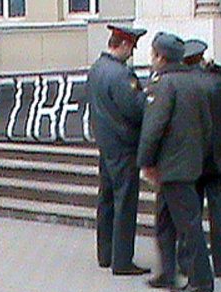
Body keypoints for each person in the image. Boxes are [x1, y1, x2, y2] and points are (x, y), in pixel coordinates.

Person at [138, 32, 214, 292]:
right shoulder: (194, 81)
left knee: (187, 226)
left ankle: (201, 279)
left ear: (160, 57)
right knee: (165, 222)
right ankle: (167, 273)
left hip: (171, 168)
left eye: (153, 54)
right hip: (187, 165)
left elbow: (153, 129)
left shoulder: (164, 85)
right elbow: (207, 127)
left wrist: (145, 162)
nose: (152, 59)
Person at [86, 25, 151, 276]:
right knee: (125, 202)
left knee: (106, 199)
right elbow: (135, 109)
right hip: (124, 146)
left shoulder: (96, 69)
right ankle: (122, 260)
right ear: (123, 45)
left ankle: (105, 254)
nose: (132, 53)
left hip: (106, 144)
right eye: (131, 48)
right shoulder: (122, 75)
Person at [179, 39, 221, 278]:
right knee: (219, 212)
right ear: (203, 58)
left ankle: (188, 261)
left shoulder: (184, 85)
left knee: (190, 214)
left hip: (194, 158)